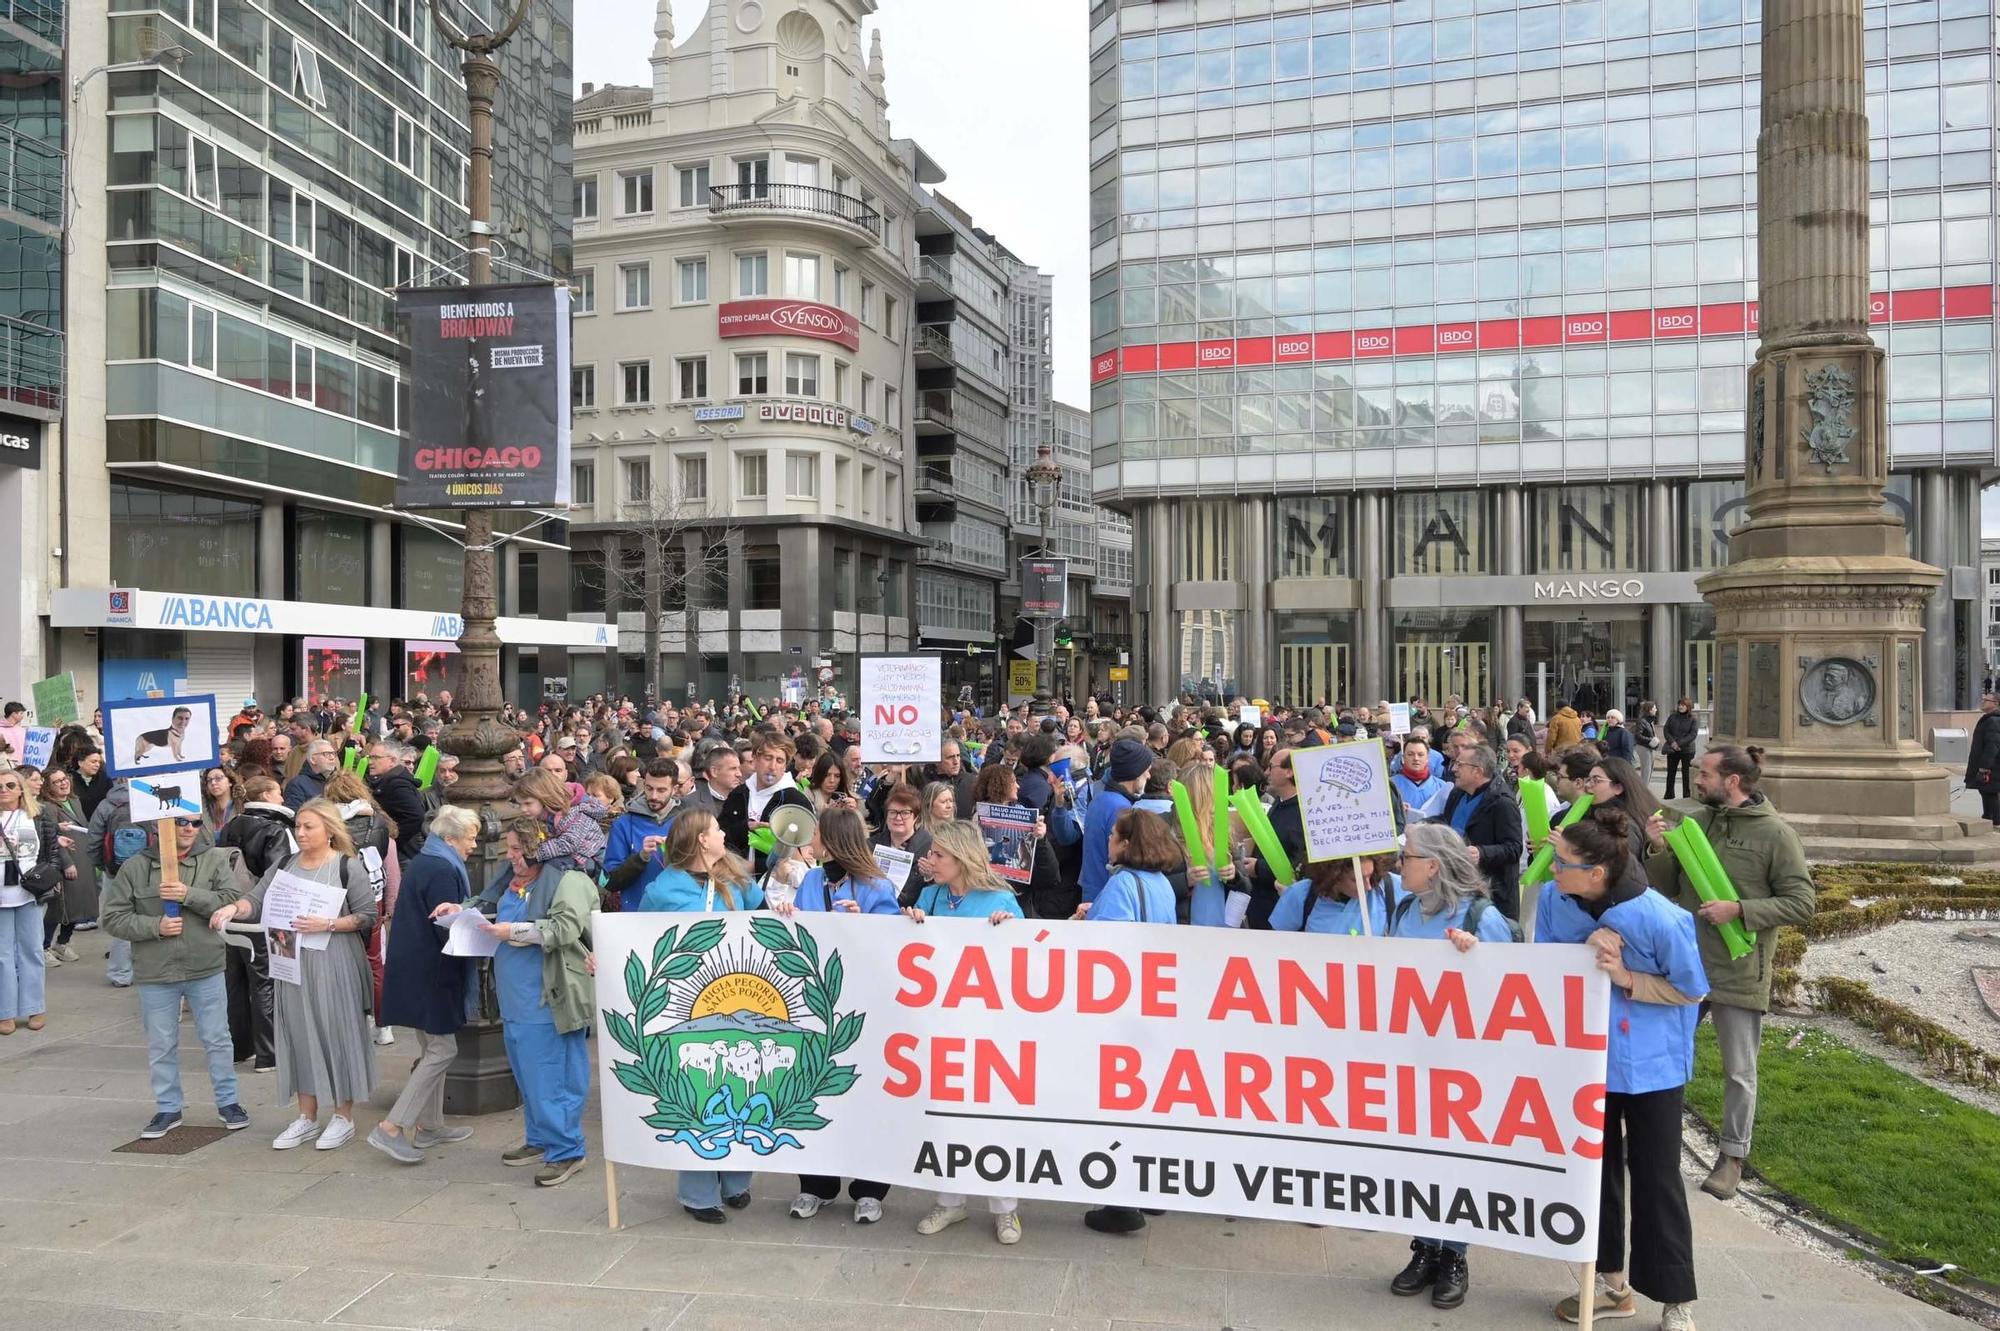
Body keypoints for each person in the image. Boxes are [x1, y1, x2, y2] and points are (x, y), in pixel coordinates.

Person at [1539, 810, 1705, 1330]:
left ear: (1597, 873)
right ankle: (1611, 1284)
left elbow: (1691, 989)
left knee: (1657, 1178)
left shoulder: (1662, 918)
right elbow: (1543, 965)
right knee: (1595, 1173)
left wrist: (1627, 977)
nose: (1550, 871)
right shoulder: (1553, 899)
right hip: (1586, 1060)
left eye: (1561, 864)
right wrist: (1581, 953)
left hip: (1652, 1066)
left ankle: (1676, 1299)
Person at [1644, 745, 1815, 1203]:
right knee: (1661, 1057)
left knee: (1739, 1071)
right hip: (1684, 965)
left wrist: (1739, 909)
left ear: (1733, 781)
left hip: (1739, 970)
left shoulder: (1777, 835)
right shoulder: (1697, 823)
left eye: (1705, 773)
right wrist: (1658, 847)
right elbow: (1664, 885)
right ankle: (1648, 1143)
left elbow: (1802, 903)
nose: (1697, 780)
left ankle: (1731, 1157)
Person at [1381, 822, 1516, 1308]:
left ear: (1432, 866)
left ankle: (1454, 1253)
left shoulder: (1482, 918)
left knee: (1457, 1160)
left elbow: (1516, 991)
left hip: (1464, 1066)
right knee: (1418, 1156)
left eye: (1406, 857)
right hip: (1411, 1056)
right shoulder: (1402, 908)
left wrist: (1477, 959)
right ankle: (1424, 1247)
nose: (1399, 865)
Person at [210, 799, 378, 1152]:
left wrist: (329, 923)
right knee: (297, 1032)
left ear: (329, 830)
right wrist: (233, 907)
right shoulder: (285, 864)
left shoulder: (348, 866)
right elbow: (255, 898)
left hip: (334, 962)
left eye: (308, 827)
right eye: (298, 826)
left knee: (336, 1032)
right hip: (290, 960)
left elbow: (366, 915)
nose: (300, 833)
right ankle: (306, 1115)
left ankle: (343, 1115)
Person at [442, 817, 596, 1186]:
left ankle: (567, 1150)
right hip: (515, 998)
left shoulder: (568, 880)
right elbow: (489, 907)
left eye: (516, 849)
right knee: (529, 1076)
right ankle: (541, 1139)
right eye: (508, 848)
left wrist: (513, 931)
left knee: (552, 1077)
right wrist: (459, 912)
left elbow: (563, 929)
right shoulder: (513, 882)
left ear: (538, 848)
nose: (509, 856)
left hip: (547, 998)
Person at [635, 810, 764, 1216]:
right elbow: (638, 939)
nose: (724, 833)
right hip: (686, 1005)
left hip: (737, 1000)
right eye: (717, 829)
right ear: (701, 840)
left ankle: (735, 1179)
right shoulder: (663, 889)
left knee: (740, 1085)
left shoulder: (736, 877)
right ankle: (698, 1191)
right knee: (698, 1092)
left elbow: (765, 915)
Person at [906, 820, 1024, 1244]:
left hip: (989, 1027)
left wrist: (1009, 927)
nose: (930, 860)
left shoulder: (1000, 898)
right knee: (945, 1115)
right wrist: (913, 922)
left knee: (993, 1118)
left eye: (939, 855)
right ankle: (950, 1200)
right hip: (941, 1025)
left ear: (961, 857)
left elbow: (1024, 961)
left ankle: (1005, 1208)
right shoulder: (931, 896)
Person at [778, 807, 898, 1223]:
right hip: (816, 1002)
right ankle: (816, 1185)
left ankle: (869, 1189)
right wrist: (788, 917)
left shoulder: (876, 884)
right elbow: (801, 930)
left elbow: (894, 943)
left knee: (865, 1094)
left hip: (863, 1005)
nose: (809, 841)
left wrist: (863, 923)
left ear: (831, 840)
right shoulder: (812, 878)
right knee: (812, 1089)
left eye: (816, 835)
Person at [100, 816, 250, 1136]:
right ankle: (168, 1107)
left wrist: (188, 894)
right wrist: (155, 927)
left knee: (217, 1038)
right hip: (156, 971)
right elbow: (113, 918)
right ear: (160, 826)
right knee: (161, 1042)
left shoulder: (213, 859)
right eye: (180, 821)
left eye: (195, 823)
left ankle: (229, 1102)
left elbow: (230, 900)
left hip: (204, 965)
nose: (188, 829)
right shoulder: (136, 867)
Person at [1075, 808, 1182, 1234]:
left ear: (1125, 842)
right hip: (1153, 1008)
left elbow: (1106, 953)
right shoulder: (1160, 885)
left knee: (1117, 1102)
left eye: (1114, 835)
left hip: (1124, 1013)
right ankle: (1149, 1188)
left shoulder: (1122, 883)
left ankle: (1121, 1202)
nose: (1108, 840)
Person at [368, 805, 482, 1165]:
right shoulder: (442, 868)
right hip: (432, 972)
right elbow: (447, 924)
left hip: (416, 969)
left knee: (432, 1045)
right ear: (450, 839)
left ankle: (431, 1126)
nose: (474, 845)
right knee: (442, 1050)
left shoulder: (427, 860)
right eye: (470, 838)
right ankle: (392, 1127)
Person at [214, 775, 296, 1072]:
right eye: (278, 792)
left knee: (235, 980)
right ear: (265, 794)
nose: (283, 799)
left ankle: (240, 1047)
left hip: (231, 912)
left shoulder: (230, 825)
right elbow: (282, 876)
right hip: (266, 915)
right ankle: (269, 1053)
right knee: (267, 980)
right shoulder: (277, 830)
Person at [1435, 747, 1524, 921]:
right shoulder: (1457, 794)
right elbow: (1446, 822)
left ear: (1477, 771)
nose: (1454, 769)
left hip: (1491, 896)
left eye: (1460, 765)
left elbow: (1514, 848)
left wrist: (1482, 852)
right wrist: (1423, 825)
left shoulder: (1502, 803)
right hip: (1456, 888)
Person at [0, 768, 57, 1034]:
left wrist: (51, 877)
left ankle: (36, 1006)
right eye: (0, 786)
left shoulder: (37, 814)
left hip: (29, 892)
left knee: (32, 950)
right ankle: (6, 1011)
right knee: (3, 955)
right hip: (1, 895)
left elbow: (51, 850)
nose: (4, 790)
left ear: (21, 788)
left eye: (10, 785)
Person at [603, 758, 684, 911]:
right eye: (649, 788)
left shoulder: (687, 822)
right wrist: (641, 857)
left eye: (661, 790)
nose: (653, 796)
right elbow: (610, 882)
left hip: (678, 913)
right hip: (636, 915)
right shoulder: (624, 824)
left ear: (674, 789)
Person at [38, 767, 91, 965]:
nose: (63, 783)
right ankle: (44, 946)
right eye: (56, 781)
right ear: (47, 787)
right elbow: (53, 838)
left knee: (78, 905)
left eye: (64, 778)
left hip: (82, 859)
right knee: (58, 907)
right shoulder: (48, 807)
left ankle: (62, 942)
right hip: (64, 862)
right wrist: (66, 863)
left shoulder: (74, 801)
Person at [1268, 852, 1396, 934]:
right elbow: (1274, 946)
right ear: (1334, 876)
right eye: (1356, 879)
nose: (1368, 886)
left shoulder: (1389, 889)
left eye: (1370, 875)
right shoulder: (1301, 895)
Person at [513, 768, 608, 878]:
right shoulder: (543, 815)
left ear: (544, 798)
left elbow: (569, 843)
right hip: (573, 856)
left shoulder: (574, 812)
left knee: (552, 866)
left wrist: (535, 856)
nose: (523, 809)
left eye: (528, 803)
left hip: (591, 860)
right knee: (516, 860)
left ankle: (540, 895)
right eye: (520, 804)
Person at [364, 743, 429, 863]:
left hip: (403, 855)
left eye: (376, 758)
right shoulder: (389, 781)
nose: (370, 762)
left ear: (392, 761)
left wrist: (392, 841)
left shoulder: (397, 784)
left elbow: (416, 817)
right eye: (370, 757)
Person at [873, 782, 935, 906]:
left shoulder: (930, 846)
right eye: (893, 812)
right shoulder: (871, 845)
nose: (898, 818)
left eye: (905, 813)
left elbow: (938, 890)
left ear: (916, 817)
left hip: (912, 915)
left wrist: (930, 876)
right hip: (876, 912)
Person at [1390, 736, 1452, 820]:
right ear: (1403, 757)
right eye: (1410, 754)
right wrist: (1394, 809)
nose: (1416, 758)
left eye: (1420, 754)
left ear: (1427, 758)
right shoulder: (1391, 785)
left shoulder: (1442, 787)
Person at [1966, 693, 2000, 825]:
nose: (1983, 702)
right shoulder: (1989, 719)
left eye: (1986, 700)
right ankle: (1989, 820)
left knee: (1990, 794)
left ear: (1995, 703)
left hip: (1992, 767)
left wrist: (1984, 768)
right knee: (1986, 793)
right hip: (1990, 766)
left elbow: (1992, 746)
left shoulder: (1994, 721)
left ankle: (1994, 822)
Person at [1662, 698, 1699, 800]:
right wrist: (1673, 743)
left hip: (1687, 750)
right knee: (1671, 773)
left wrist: (1679, 743)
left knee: (1686, 774)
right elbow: (1666, 730)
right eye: (1679, 705)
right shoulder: (1673, 717)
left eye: (1683, 705)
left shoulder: (1693, 719)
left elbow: (1693, 734)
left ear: (1688, 707)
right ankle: (1669, 795)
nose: (1681, 707)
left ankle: (1686, 796)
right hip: (1672, 749)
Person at [284, 740, 338, 810]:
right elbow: (294, 815)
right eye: (326, 754)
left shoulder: (337, 781)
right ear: (313, 759)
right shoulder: (297, 785)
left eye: (333, 753)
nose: (332, 758)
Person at [200, 767, 240, 838]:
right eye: (209, 780)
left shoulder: (241, 806)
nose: (213, 783)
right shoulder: (202, 807)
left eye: (218, 778)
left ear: (230, 782)